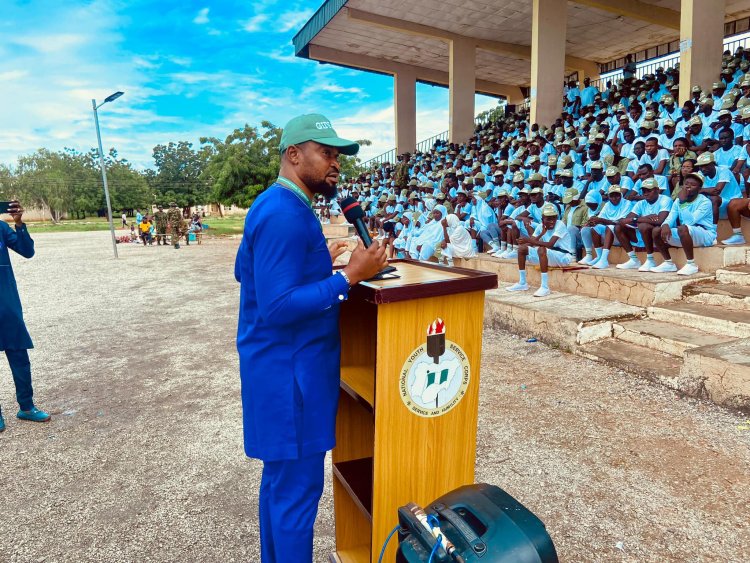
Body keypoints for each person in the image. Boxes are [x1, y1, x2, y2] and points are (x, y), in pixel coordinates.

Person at [234, 113, 386, 563]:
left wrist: (316, 260)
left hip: (279, 371)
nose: (335, 163)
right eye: (326, 153)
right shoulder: (284, 214)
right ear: (293, 154)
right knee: (297, 497)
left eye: (337, 155)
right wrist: (349, 278)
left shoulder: (276, 205)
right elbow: (278, 306)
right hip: (291, 378)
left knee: (280, 489)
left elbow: (246, 273)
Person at [0, 201, 51, 432]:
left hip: (6, 302)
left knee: (18, 353)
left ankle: (27, 407)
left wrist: (19, 223)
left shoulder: (0, 228)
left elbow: (27, 251)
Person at [653, 172, 716, 275]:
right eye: (686, 183)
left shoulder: (705, 202)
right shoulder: (678, 201)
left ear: (699, 189)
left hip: (705, 235)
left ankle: (691, 264)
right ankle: (668, 263)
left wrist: (683, 203)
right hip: (686, 234)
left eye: (693, 185)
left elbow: (689, 222)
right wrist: (665, 225)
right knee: (656, 231)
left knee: (682, 228)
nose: (688, 187)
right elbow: (670, 218)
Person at [505, 203, 574, 297]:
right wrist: (541, 234)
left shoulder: (560, 224)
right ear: (542, 219)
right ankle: (522, 283)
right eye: (548, 219)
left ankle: (545, 287)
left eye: (554, 218)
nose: (552, 221)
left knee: (542, 249)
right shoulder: (540, 226)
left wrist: (528, 240)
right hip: (549, 255)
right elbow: (531, 242)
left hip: (563, 257)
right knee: (522, 249)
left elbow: (550, 245)